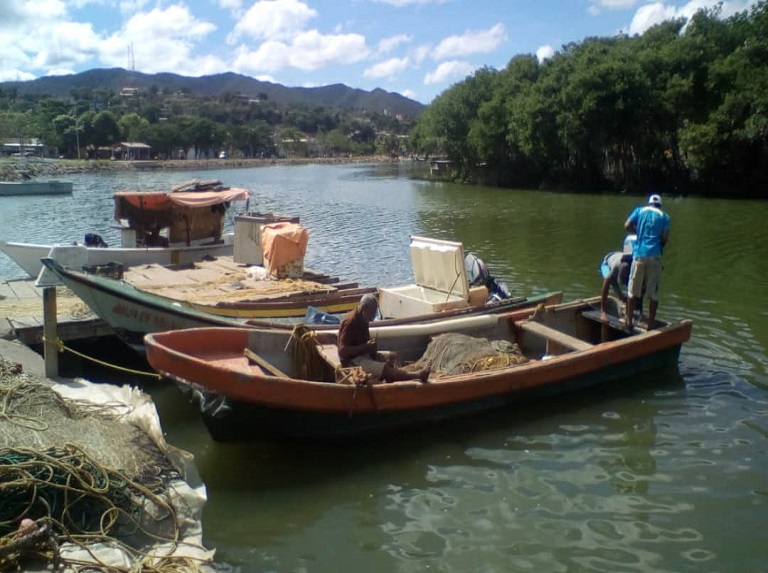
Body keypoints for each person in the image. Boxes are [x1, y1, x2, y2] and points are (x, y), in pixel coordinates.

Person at [337, 294, 430, 383]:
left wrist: (371, 348)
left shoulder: (363, 318)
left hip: (362, 355)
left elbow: (365, 345)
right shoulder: (350, 322)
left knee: (392, 356)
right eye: (371, 314)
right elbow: (342, 351)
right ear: (364, 308)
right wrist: (365, 347)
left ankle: (392, 378)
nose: (372, 318)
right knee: (384, 369)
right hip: (351, 362)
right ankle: (418, 376)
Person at [624, 193, 670, 329]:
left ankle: (629, 322)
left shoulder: (639, 210)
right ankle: (650, 325)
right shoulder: (664, 216)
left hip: (639, 255)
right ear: (660, 205)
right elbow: (665, 238)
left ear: (649, 203)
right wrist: (658, 245)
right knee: (653, 295)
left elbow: (626, 225)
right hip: (655, 255)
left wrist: (637, 232)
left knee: (632, 292)